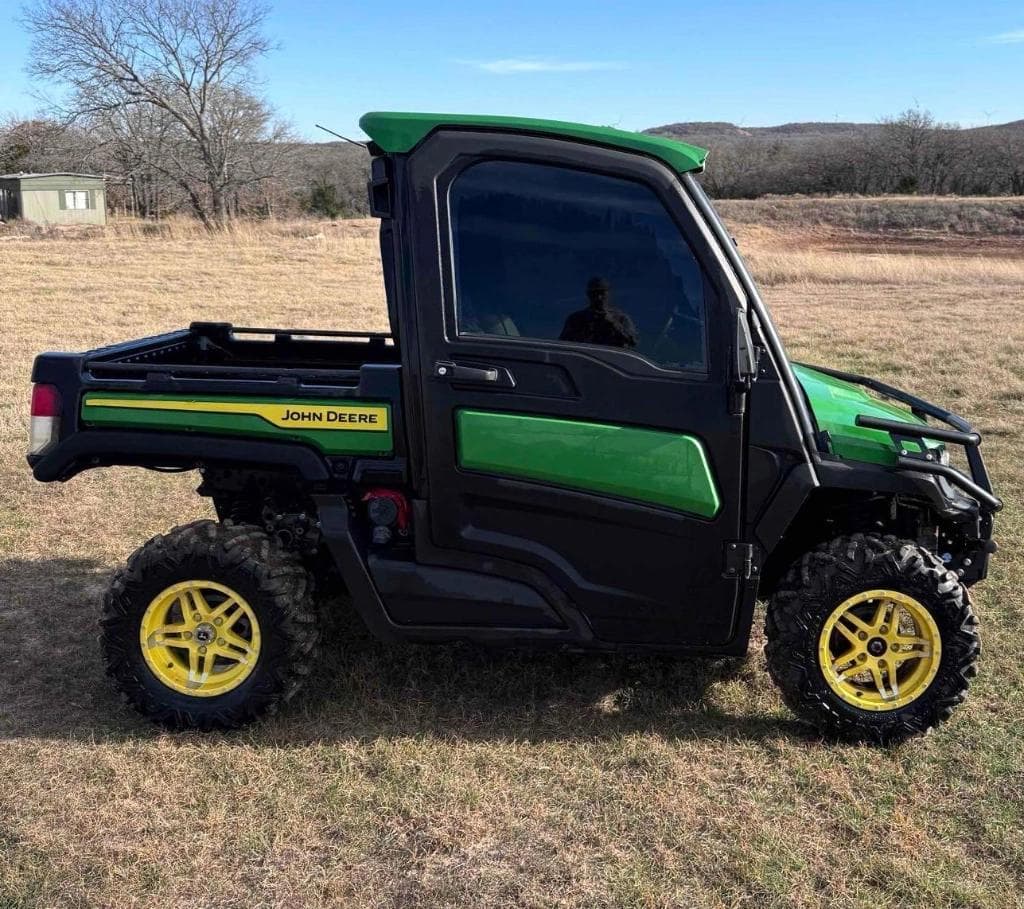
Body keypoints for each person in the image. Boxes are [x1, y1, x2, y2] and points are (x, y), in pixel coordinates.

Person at [559, 277, 638, 349]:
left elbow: (633, 341)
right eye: (594, 294)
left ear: (608, 294)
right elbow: (564, 345)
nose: (599, 298)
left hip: (612, 362)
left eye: (602, 293)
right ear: (589, 295)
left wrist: (613, 323)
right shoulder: (576, 319)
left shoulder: (621, 318)